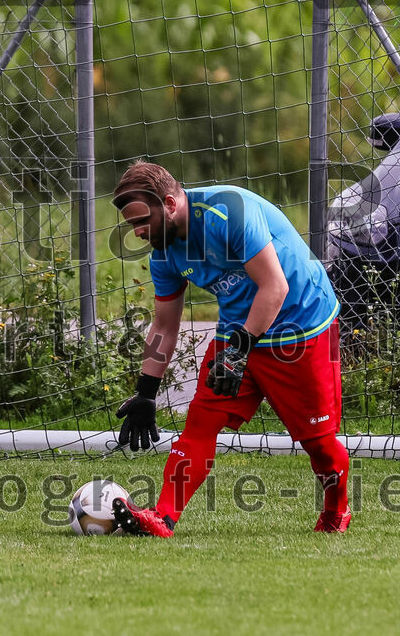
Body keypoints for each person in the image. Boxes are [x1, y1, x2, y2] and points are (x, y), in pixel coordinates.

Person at [110, 161, 351, 536]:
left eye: (142, 220)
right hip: (240, 332)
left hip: (302, 326)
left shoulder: (229, 212)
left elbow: (275, 287)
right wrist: (146, 392)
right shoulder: (164, 253)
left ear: (170, 203)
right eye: (132, 225)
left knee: (318, 444)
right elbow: (163, 326)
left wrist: (236, 353)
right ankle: (162, 517)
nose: (138, 232)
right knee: (200, 424)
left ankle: (337, 513)